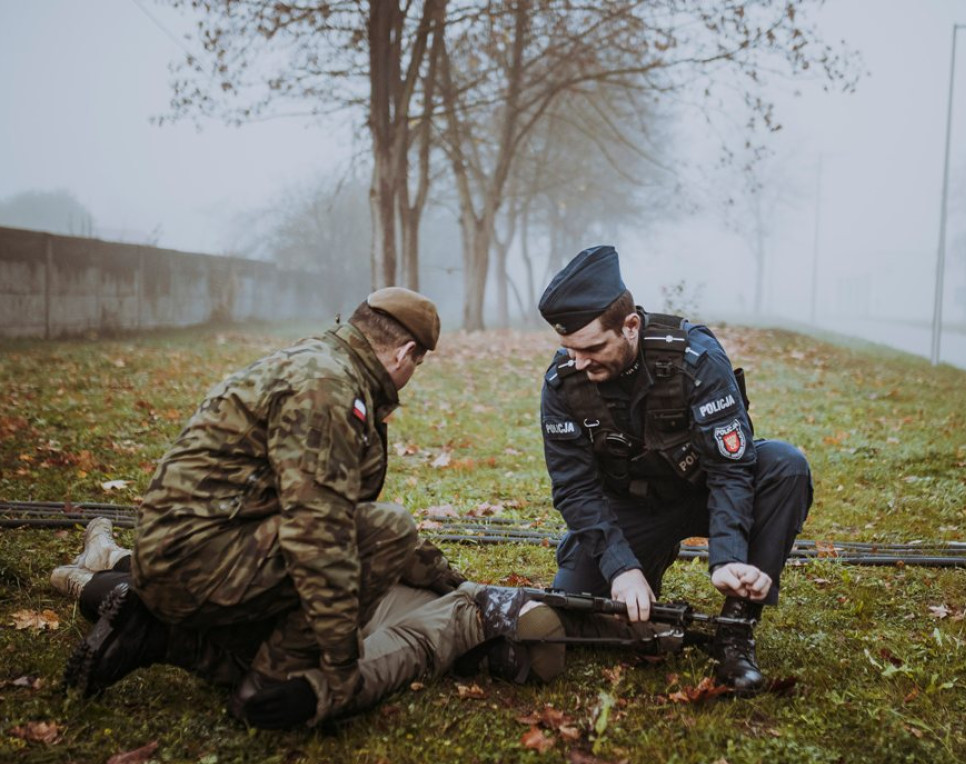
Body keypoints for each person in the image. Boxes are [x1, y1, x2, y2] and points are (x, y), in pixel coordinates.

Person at [58, 288, 562, 729]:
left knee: (373, 540)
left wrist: (434, 569)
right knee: (388, 530)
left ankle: (163, 639)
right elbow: (319, 535)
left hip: (193, 549)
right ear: (406, 354)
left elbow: (323, 502)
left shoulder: (317, 361)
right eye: (418, 365)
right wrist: (339, 669)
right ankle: (270, 682)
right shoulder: (329, 388)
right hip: (197, 561)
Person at [536, 245, 813, 694]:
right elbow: (575, 489)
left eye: (591, 348)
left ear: (630, 326)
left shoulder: (695, 359)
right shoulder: (564, 381)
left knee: (785, 467)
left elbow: (730, 470)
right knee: (578, 609)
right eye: (569, 349)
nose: (578, 362)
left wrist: (727, 557)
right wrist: (621, 567)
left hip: (703, 492)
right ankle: (647, 565)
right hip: (631, 507)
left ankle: (736, 631)